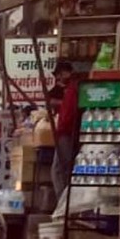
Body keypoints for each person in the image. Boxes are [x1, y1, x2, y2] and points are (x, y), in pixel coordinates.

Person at [49, 62, 80, 194]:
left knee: (60, 169)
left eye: (60, 75)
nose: (59, 78)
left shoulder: (72, 89)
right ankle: (64, 201)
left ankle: (63, 201)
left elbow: (68, 115)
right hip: (66, 132)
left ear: (65, 72)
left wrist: (60, 130)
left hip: (66, 133)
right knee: (61, 169)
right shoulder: (69, 89)